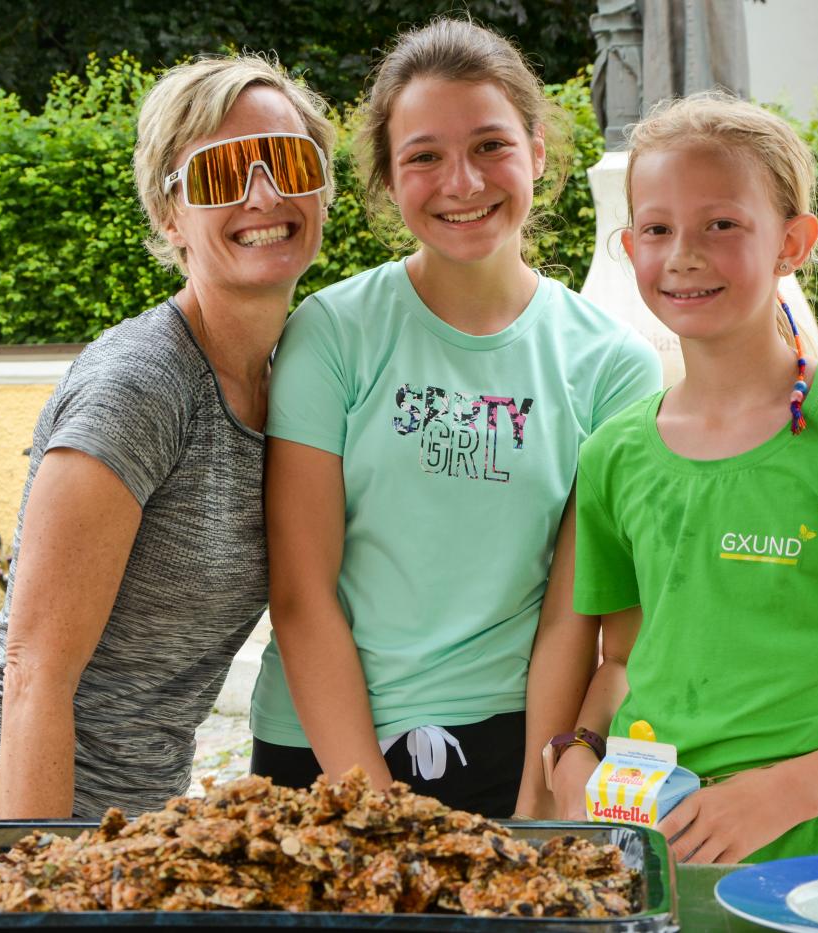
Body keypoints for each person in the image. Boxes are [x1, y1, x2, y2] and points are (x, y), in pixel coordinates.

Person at [548, 92, 818, 862]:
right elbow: (621, 659)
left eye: (721, 224)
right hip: (643, 854)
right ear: (628, 245)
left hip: (805, 864)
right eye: (657, 228)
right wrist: (576, 751)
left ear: (792, 242)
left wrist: (781, 794)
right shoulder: (613, 451)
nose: (684, 254)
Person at [0, 55, 337, 832]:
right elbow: (34, 670)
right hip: (12, 810)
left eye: (290, 162)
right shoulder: (142, 383)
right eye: (221, 173)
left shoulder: (292, 382)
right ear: (170, 217)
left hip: (125, 820)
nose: (264, 194)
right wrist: (44, 877)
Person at [248, 18, 661, 818]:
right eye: (424, 156)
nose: (462, 183)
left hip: (510, 748)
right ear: (388, 177)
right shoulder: (331, 333)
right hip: (321, 750)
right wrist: (374, 807)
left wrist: (538, 791)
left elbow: (573, 615)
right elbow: (301, 594)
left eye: (490, 146)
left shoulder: (613, 365)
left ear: (536, 152)